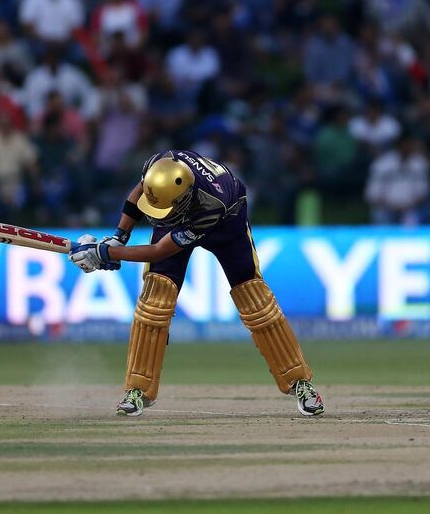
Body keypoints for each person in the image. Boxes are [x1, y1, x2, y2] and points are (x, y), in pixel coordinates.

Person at [68, 149, 325, 418]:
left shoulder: (211, 205)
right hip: (179, 215)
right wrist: (119, 237)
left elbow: (159, 252)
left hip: (227, 225)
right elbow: (139, 192)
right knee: (155, 301)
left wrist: (105, 253)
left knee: (256, 301)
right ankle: (138, 390)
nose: (155, 213)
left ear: (183, 197)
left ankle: (301, 384)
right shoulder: (160, 167)